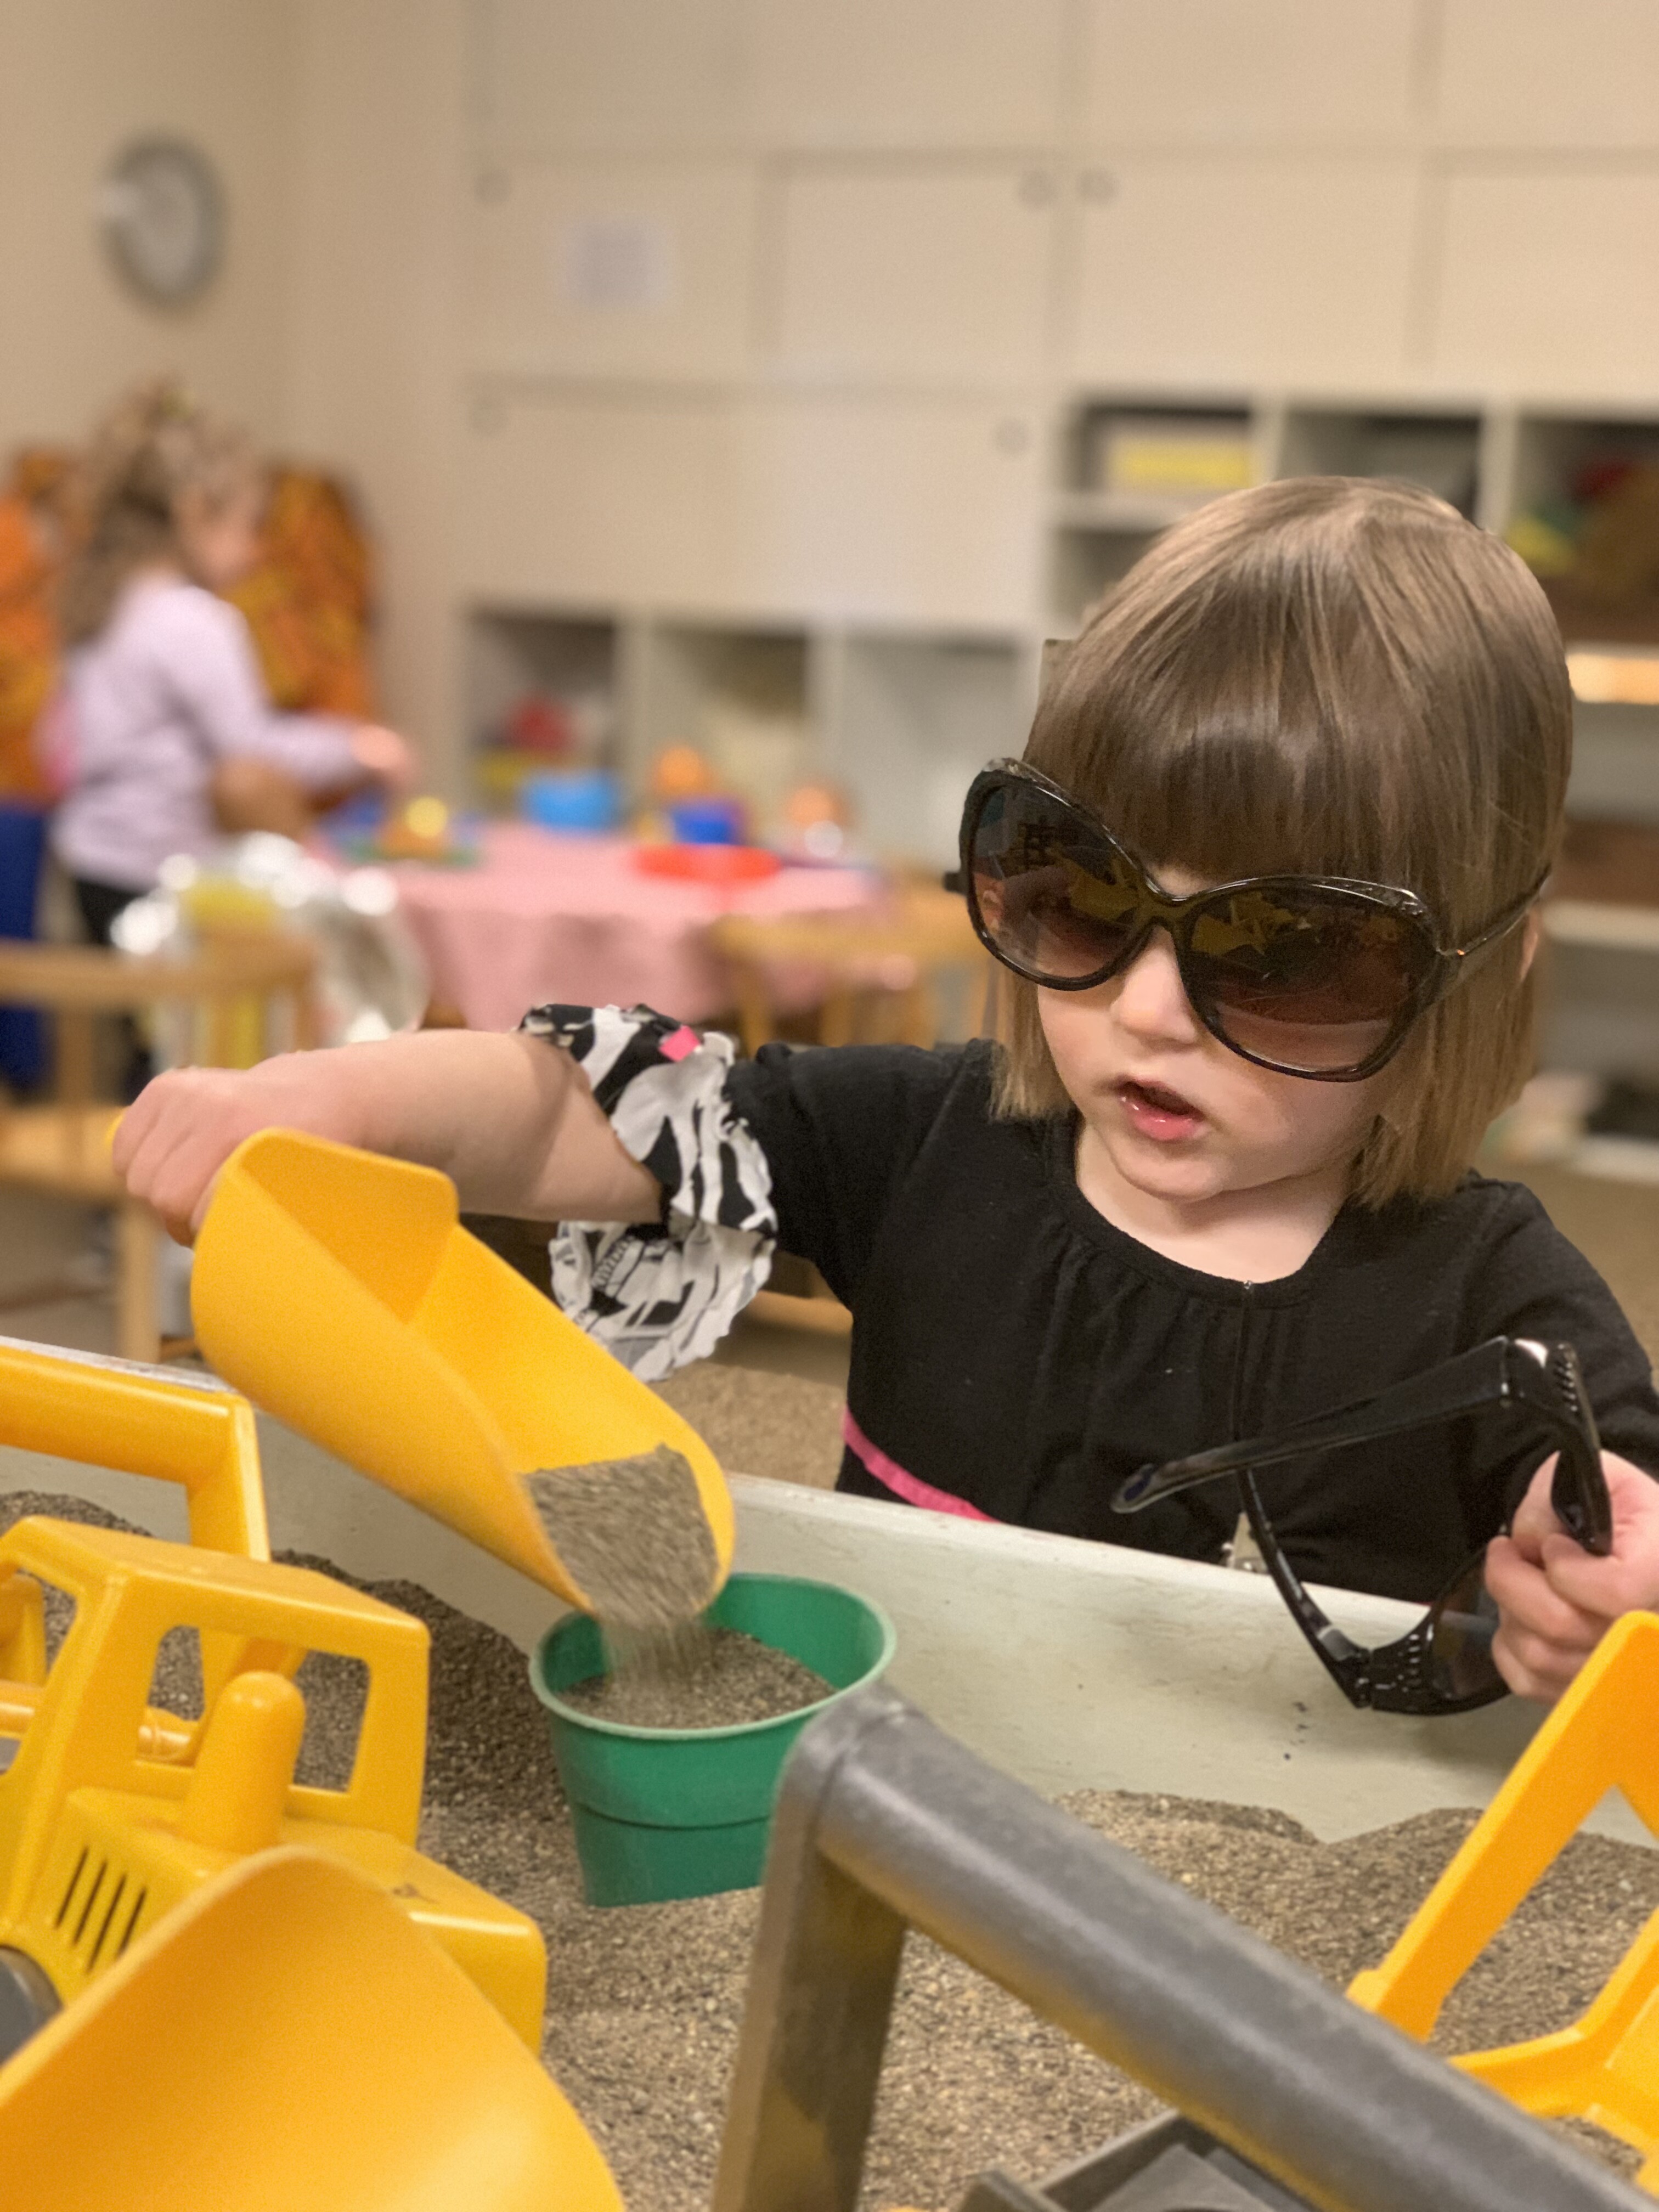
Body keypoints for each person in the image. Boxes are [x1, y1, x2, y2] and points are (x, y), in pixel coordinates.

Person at [112, 478, 1659, 1705]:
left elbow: (1623, 1508)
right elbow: (574, 1111)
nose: (1144, 1010)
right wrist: (329, 1098)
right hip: (886, 1795)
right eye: (1082, 894)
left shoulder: (1494, 1306)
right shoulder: (934, 1143)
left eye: (1286, 954)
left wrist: (1594, 1574)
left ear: (1487, 969)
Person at [47, 379, 410, 949]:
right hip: (162, 875)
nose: (257, 549)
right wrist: (360, 749)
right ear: (194, 514)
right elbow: (250, 747)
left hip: (88, 868)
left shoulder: (100, 603)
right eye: (248, 525)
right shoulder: (196, 622)